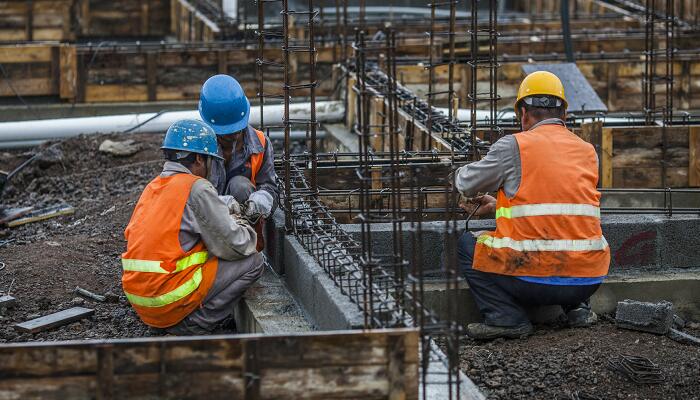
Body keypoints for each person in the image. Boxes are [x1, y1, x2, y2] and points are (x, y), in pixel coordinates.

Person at [454, 71, 610, 340]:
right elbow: (561, 202)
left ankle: (506, 319)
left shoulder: (514, 146)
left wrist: (457, 171)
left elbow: (467, 183)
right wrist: (497, 206)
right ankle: (578, 311)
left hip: (532, 280)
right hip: (588, 279)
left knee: (467, 244)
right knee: (574, 235)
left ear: (523, 113)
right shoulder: (587, 150)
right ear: (563, 113)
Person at [121, 119, 264, 335]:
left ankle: (172, 318)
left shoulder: (152, 187)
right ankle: (194, 324)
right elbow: (237, 245)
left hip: (142, 302)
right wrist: (241, 221)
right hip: (167, 301)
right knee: (253, 261)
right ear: (199, 158)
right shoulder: (195, 187)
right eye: (209, 161)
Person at [199, 74, 278, 248]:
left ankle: (247, 245)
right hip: (204, 220)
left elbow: (270, 186)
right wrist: (218, 204)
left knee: (240, 186)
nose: (234, 134)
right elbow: (186, 193)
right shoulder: (197, 146)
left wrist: (262, 200)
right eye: (226, 132)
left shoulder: (260, 143)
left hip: (243, 222)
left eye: (237, 128)